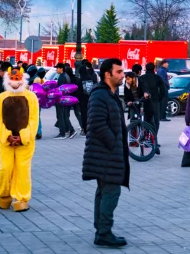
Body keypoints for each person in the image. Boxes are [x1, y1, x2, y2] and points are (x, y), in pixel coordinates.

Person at [82, 58, 129, 248]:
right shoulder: (100, 95)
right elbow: (96, 123)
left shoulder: (110, 94)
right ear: (107, 74)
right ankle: (104, 232)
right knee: (111, 191)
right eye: (118, 72)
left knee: (104, 191)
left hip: (107, 153)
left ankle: (101, 229)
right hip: (105, 153)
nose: (122, 75)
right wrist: (113, 142)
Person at [0, 65, 39, 212]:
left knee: (22, 169)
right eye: (12, 79)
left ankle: (21, 198)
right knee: (5, 168)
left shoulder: (31, 97)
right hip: (5, 142)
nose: (15, 82)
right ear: (7, 80)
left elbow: (33, 120)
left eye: (18, 79)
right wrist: (6, 136)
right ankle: (3, 196)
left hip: (25, 143)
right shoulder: (1, 98)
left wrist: (23, 136)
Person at [137, 63, 166, 143]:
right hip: (155, 102)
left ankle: (145, 137)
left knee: (146, 120)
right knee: (156, 121)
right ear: (154, 68)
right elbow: (163, 90)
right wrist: (159, 98)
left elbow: (138, 91)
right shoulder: (157, 77)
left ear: (146, 68)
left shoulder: (141, 78)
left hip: (144, 102)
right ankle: (153, 138)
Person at [53, 63, 77, 140]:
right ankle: (70, 131)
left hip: (61, 99)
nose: (56, 69)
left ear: (61, 68)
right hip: (65, 99)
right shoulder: (66, 76)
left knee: (61, 116)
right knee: (64, 116)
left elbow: (60, 89)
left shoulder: (62, 77)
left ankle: (63, 133)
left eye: (57, 68)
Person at [79, 60, 97, 137]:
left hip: (83, 101)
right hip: (91, 99)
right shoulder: (91, 78)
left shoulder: (80, 80)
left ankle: (85, 129)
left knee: (84, 115)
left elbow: (79, 91)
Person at [65, 63, 83, 133]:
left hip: (68, 98)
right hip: (75, 98)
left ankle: (68, 128)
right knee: (77, 113)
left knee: (66, 114)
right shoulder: (76, 78)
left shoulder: (67, 79)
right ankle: (82, 127)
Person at [33, 68, 47, 139]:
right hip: (39, 100)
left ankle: (38, 132)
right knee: (37, 116)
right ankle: (38, 132)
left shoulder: (37, 78)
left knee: (36, 117)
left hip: (35, 101)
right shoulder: (39, 79)